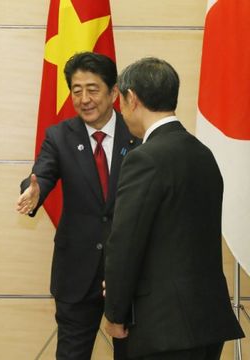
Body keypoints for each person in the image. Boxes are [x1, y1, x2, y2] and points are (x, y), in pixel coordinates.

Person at [104, 57, 244, 359]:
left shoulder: (145, 158)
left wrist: (114, 313)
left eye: (121, 101)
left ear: (132, 99)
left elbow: (126, 242)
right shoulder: (202, 153)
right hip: (208, 322)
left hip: (164, 328)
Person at [17, 52, 139, 359]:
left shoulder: (136, 133)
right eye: (76, 89)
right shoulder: (59, 136)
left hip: (129, 269)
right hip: (76, 271)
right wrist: (33, 192)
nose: (84, 98)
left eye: (93, 89)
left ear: (113, 92)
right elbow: (41, 174)